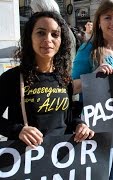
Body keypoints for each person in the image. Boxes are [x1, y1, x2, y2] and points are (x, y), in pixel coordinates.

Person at [0, 11, 94, 148]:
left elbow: (68, 117)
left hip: (61, 158)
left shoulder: (63, 77)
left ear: (61, 41)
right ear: (30, 37)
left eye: (55, 34)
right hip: (27, 159)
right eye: (41, 33)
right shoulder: (13, 78)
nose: (48, 39)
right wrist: (18, 130)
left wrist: (80, 124)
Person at [71, 1, 113, 179]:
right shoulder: (87, 50)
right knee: (99, 175)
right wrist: (93, 77)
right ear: (99, 21)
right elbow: (70, 88)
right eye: (107, 17)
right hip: (95, 126)